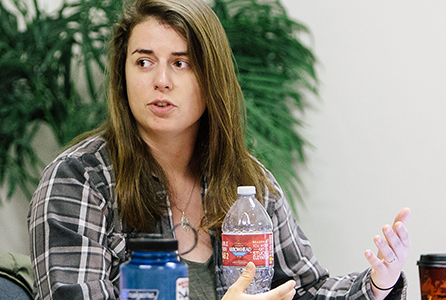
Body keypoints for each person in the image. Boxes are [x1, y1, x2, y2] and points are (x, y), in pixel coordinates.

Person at [27, 0, 411, 300]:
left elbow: (304, 290)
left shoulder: (250, 182)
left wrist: (378, 283)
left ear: (212, 78)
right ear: (121, 75)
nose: (161, 81)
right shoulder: (78, 180)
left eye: (181, 63)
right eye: (144, 62)